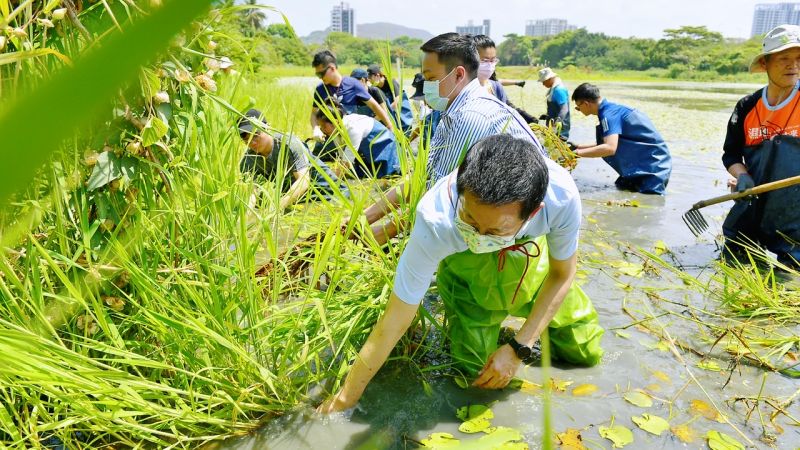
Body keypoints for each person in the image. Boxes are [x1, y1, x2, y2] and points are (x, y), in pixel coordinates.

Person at [318, 135, 603, 413]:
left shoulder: (561, 198)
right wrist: (344, 399)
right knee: (477, 377)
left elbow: (562, 274)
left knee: (586, 351)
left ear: (532, 214)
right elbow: (394, 320)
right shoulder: (435, 220)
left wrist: (520, 346)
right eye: (470, 220)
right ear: (460, 191)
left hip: (532, 262)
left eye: (494, 230)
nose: (479, 235)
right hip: (469, 278)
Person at [358, 32, 544, 243]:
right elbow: (425, 177)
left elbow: (440, 196)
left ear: (458, 75)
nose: (427, 87)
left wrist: (381, 234)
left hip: (510, 228)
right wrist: (365, 217)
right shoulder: (452, 110)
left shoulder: (471, 116)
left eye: (431, 79)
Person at [721, 24, 800, 269]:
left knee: (790, 283)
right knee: (734, 265)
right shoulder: (747, 106)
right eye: (784, 58)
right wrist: (742, 175)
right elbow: (731, 154)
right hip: (755, 205)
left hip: (796, 215)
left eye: (799, 59)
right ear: (765, 63)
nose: (793, 65)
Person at [571, 83, 672, 195]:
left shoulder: (609, 115)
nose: (578, 110)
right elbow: (606, 143)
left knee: (650, 202)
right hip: (643, 164)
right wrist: (578, 146)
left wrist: (577, 154)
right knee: (621, 188)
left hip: (652, 169)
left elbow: (609, 148)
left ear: (586, 103)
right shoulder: (611, 110)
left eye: (578, 107)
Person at [236, 109, 346, 209]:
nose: (252, 142)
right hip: (298, 201)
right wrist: (246, 219)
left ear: (267, 128)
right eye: (247, 139)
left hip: (330, 194)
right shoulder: (249, 160)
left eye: (256, 135)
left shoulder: (288, 143)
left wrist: (275, 209)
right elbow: (252, 193)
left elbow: (303, 181)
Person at [310, 50, 394, 141]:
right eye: (317, 74)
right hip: (328, 138)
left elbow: (374, 106)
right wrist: (316, 129)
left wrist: (390, 127)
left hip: (350, 136)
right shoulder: (320, 89)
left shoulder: (352, 84)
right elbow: (314, 113)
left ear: (332, 68)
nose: (320, 77)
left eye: (321, 74)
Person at [315, 100, 401, 179]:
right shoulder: (336, 131)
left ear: (335, 122)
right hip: (367, 149)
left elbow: (347, 160)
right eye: (320, 127)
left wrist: (332, 180)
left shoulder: (352, 128)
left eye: (324, 126)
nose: (322, 130)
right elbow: (342, 155)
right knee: (367, 174)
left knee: (389, 176)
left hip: (384, 143)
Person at [471, 34, 538, 124]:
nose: (490, 65)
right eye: (485, 61)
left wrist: (527, 117)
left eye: (493, 60)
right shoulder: (463, 89)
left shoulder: (495, 87)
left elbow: (508, 107)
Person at [367, 64, 414, 134]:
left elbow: (397, 101)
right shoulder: (376, 88)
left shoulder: (390, 81)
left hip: (401, 113)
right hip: (390, 114)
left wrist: (383, 113)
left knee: (404, 133)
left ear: (377, 75)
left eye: (370, 79)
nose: (369, 81)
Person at [537, 68, 571, 140]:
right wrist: (547, 116)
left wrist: (557, 122)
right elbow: (556, 108)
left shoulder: (559, 90)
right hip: (553, 129)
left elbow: (564, 109)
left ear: (549, 79)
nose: (543, 84)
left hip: (560, 131)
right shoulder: (554, 89)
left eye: (544, 81)